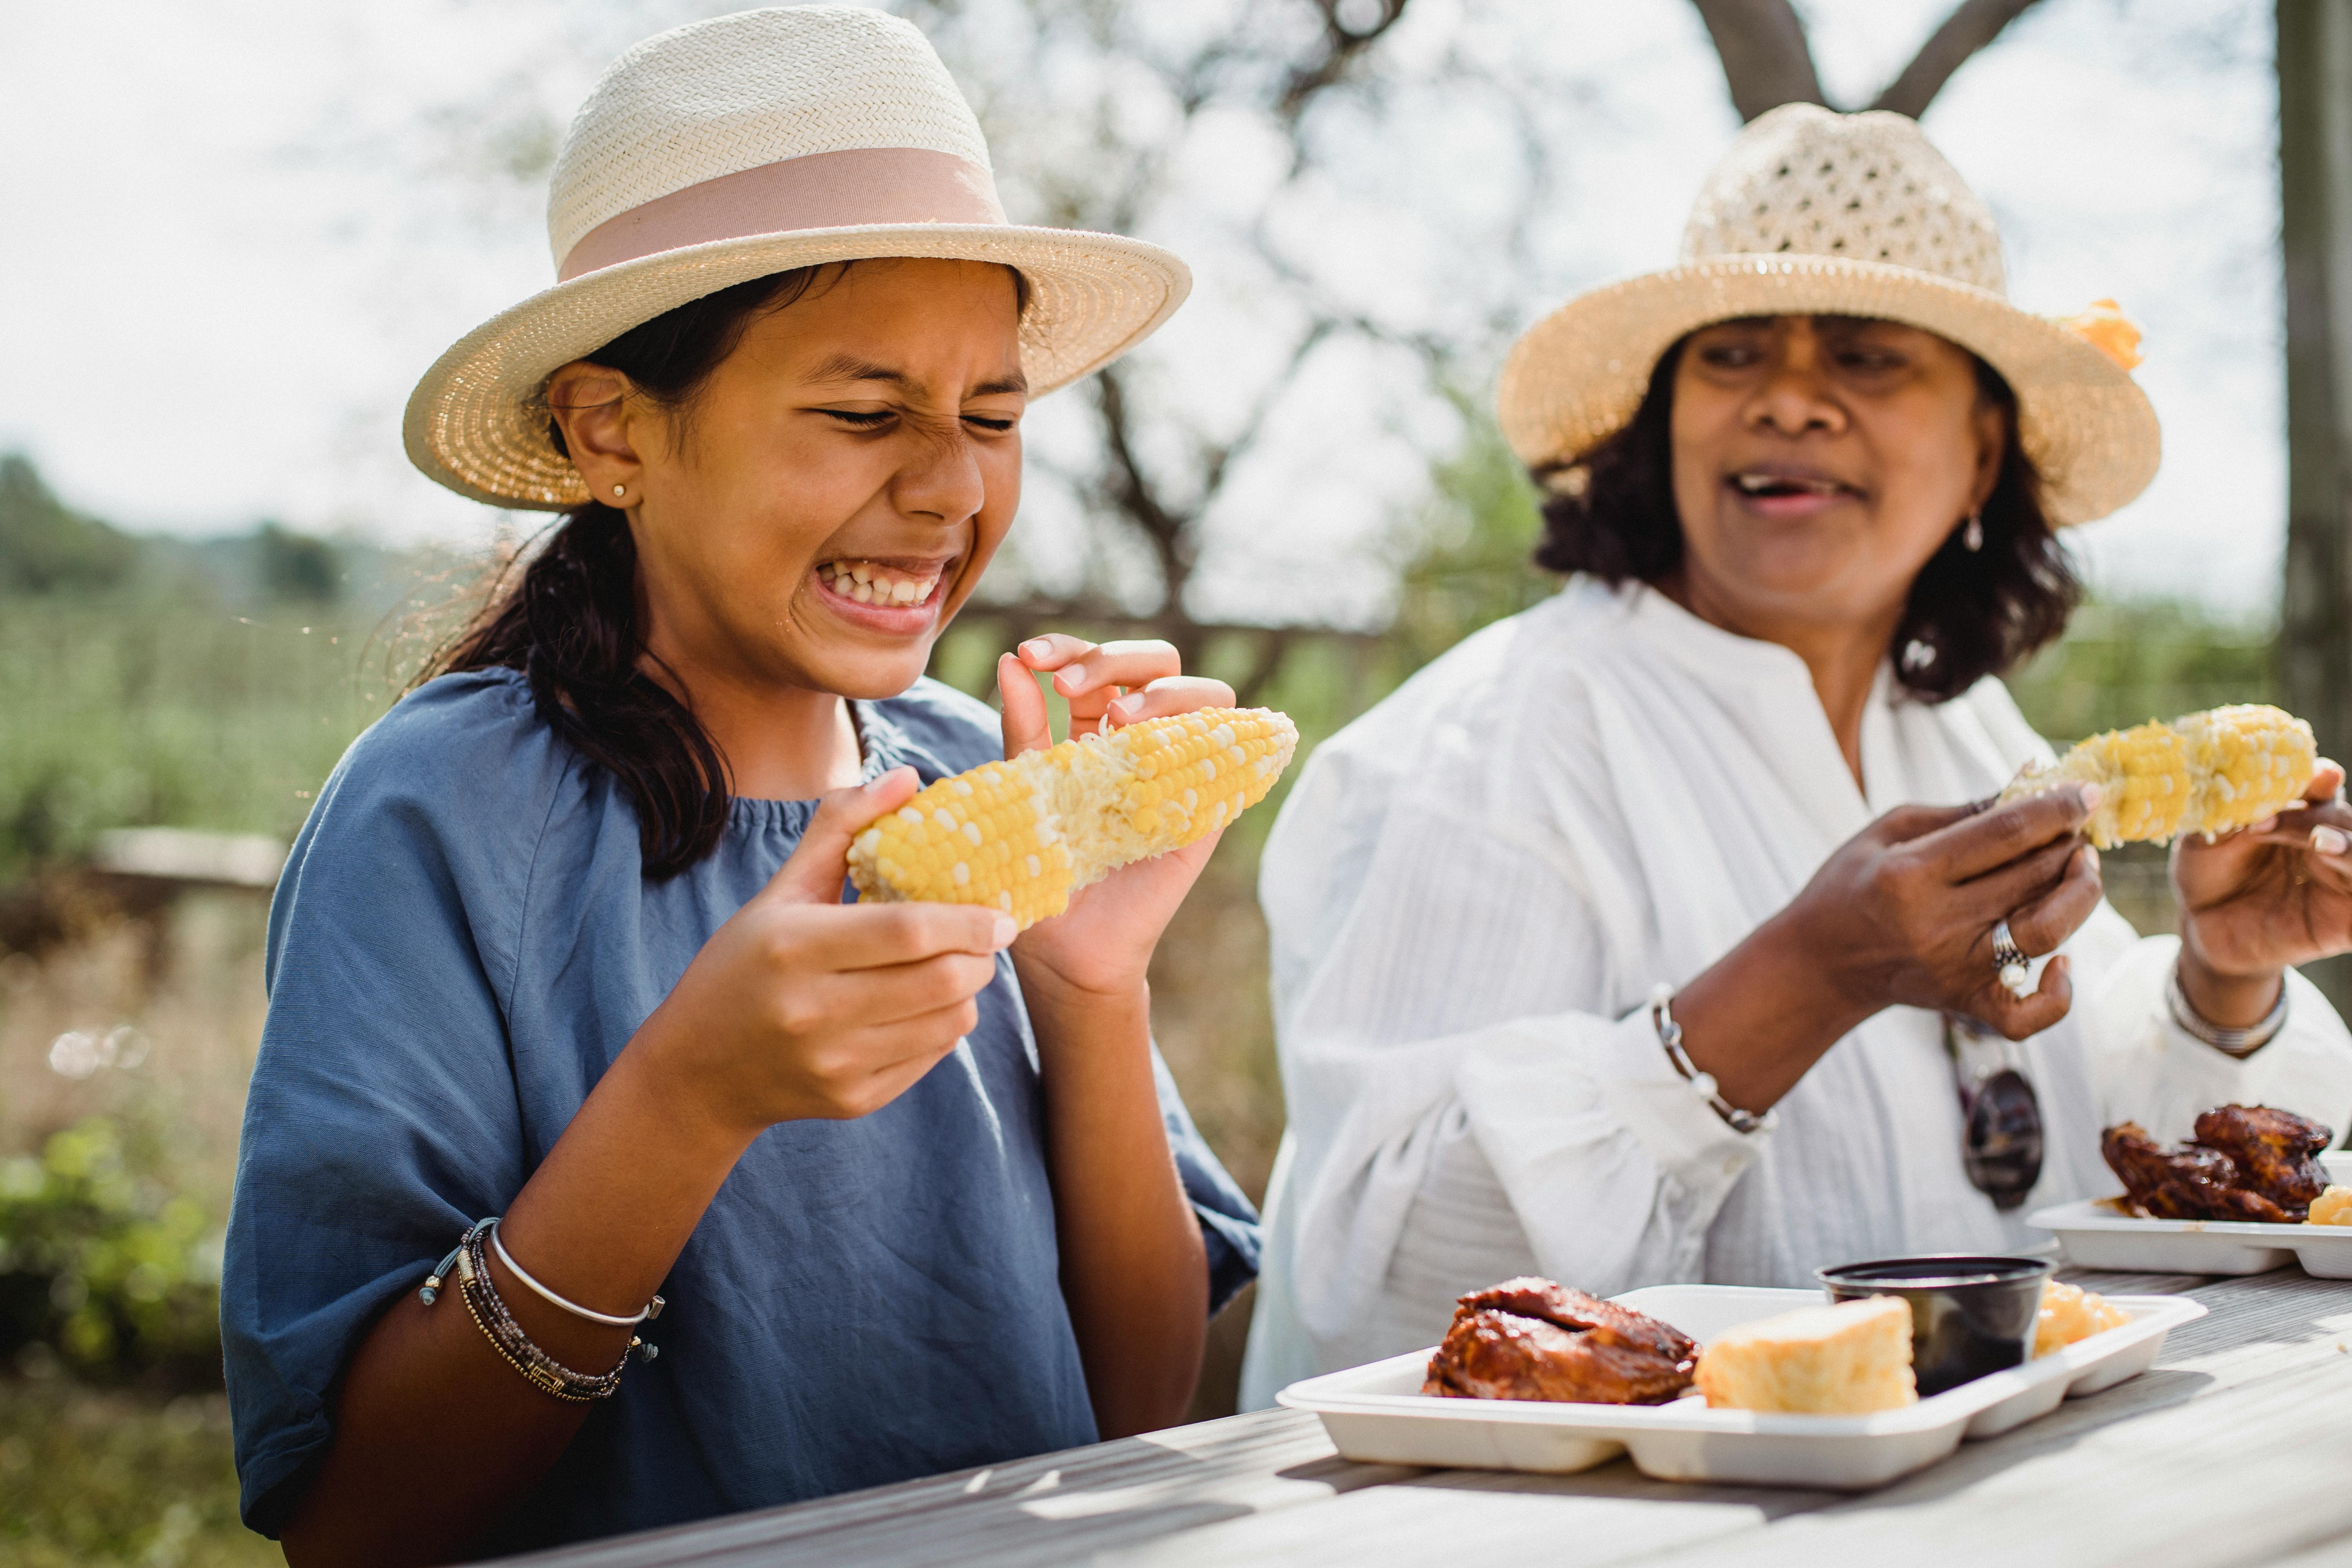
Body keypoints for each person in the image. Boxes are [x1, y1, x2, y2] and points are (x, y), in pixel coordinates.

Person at [222, 10, 1258, 1561]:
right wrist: (688, 1099)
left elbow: (1136, 1409)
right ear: (611, 430)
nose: (948, 487)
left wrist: (1093, 987)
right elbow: (355, 1519)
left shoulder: (984, 769)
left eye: (992, 414)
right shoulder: (438, 817)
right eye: (862, 413)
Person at [1239, 104, 2352, 1405]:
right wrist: (1806, 982)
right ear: (1666, 421)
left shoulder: (1965, 729)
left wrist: (2224, 980)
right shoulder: (1481, 750)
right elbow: (1389, 1289)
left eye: (1871, 359)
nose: (1790, 402)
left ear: (1984, 448)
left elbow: (2095, 1155)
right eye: (1735, 354)